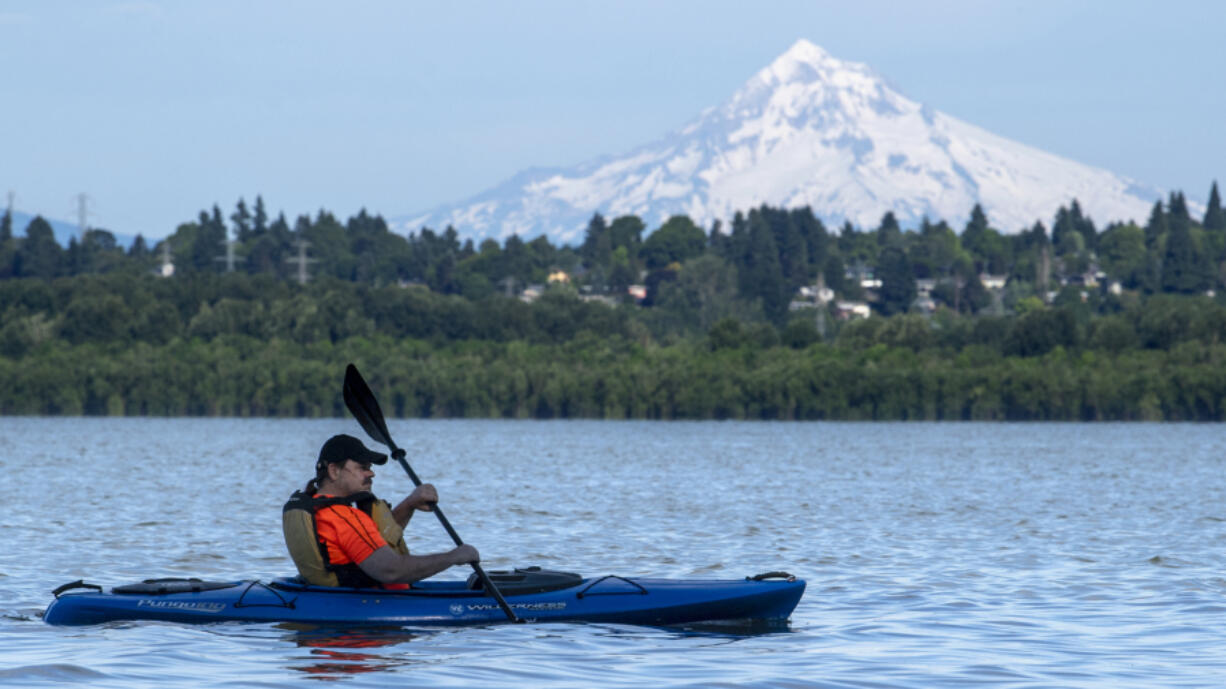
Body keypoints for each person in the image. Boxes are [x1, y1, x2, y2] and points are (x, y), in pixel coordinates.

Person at [283, 434, 478, 588]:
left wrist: (409, 504)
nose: (371, 473)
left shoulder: (321, 509)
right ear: (334, 471)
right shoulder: (346, 518)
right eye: (362, 467)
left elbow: (374, 541)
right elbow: (390, 570)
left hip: (333, 599)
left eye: (370, 467)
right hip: (369, 622)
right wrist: (454, 557)